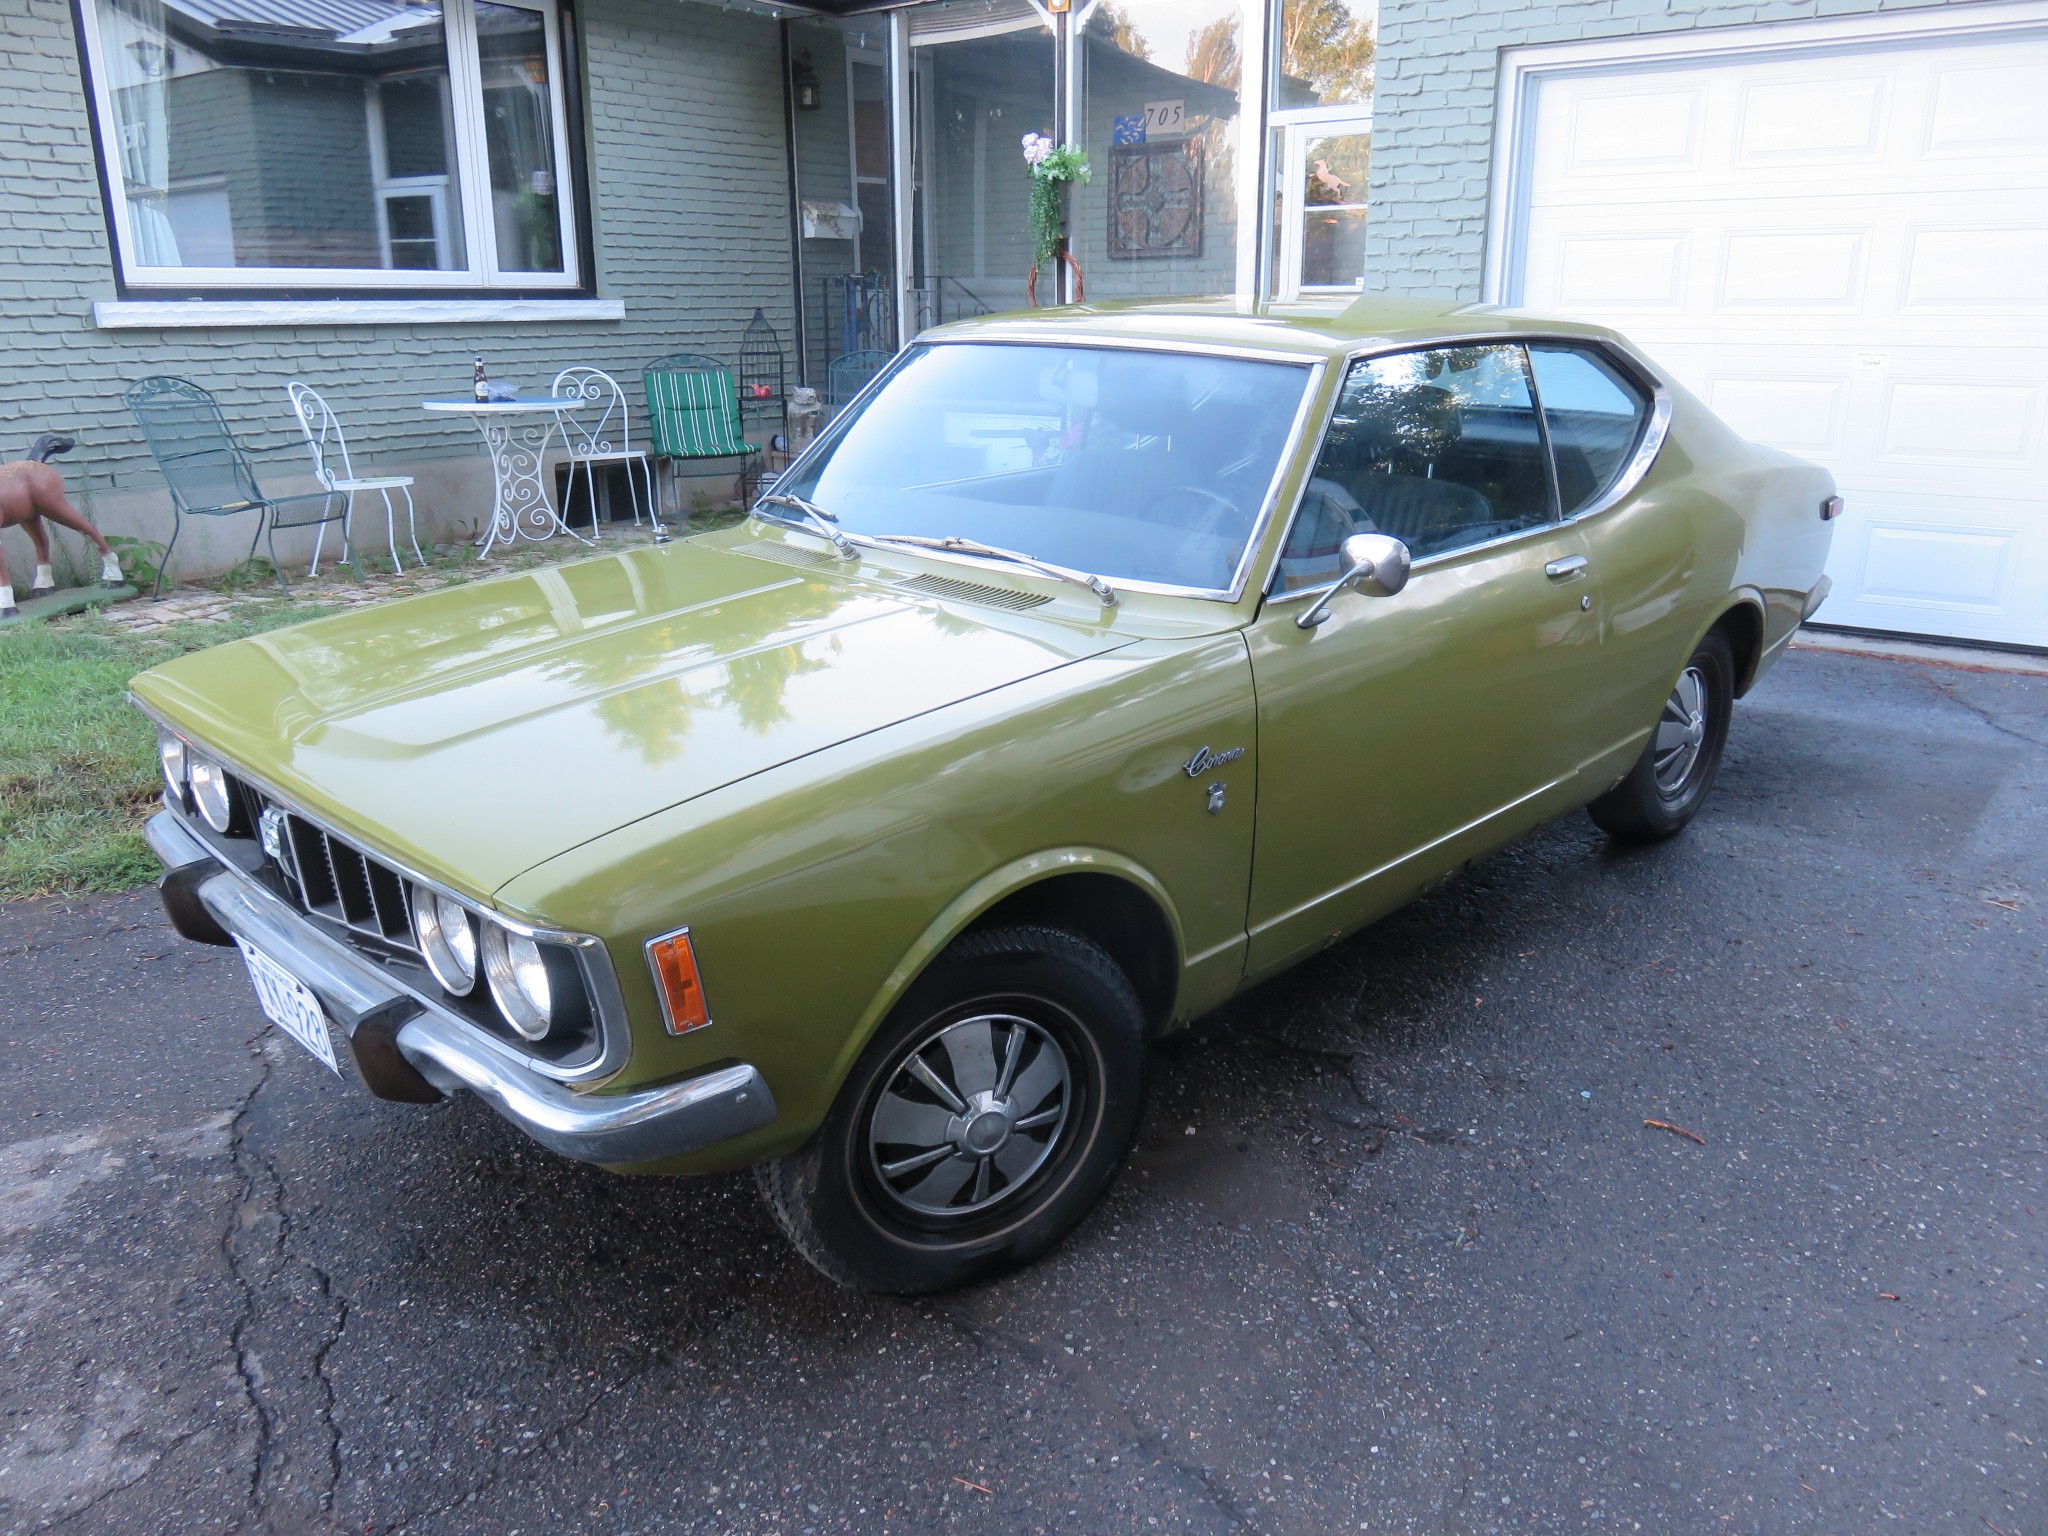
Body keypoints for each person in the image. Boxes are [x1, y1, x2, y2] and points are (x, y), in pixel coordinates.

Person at [0, 435, 122, 617]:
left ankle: (109, 558)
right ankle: (44, 579)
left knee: (69, 519)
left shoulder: (31, 475)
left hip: (37, 485)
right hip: (18, 497)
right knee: (34, 529)